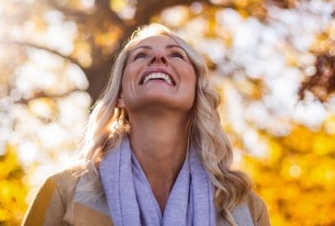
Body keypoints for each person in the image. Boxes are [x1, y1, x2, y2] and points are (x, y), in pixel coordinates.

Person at [22, 23, 270, 226]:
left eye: (176, 54)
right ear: (119, 95)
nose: (159, 58)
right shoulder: (63, 192)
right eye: (141, 55)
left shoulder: (244, 207)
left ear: (197, 92)